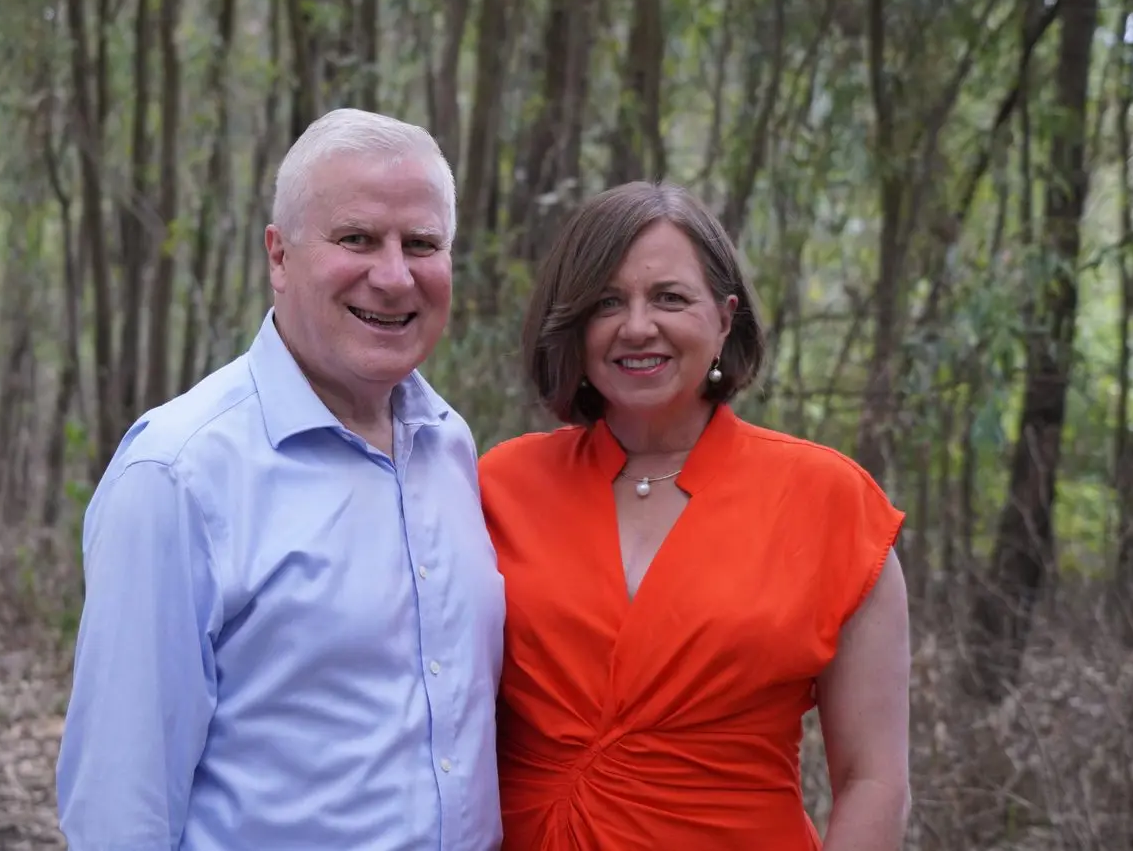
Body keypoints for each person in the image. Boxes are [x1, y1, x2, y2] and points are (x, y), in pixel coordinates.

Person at [55, 108, 506, 851]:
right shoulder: (178, 473)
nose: (394, 275)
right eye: (356, 238)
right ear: (279, 256)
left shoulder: (448, 446)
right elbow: (119, 810)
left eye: (422, 244)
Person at [478, 181, 911, 850]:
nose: (637, 326)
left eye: (669, 298)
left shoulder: (829, 501)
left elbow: (873, 780)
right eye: (606, 302)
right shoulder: (497, 486)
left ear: (724, 319)